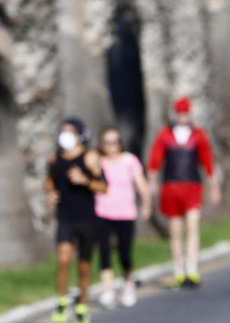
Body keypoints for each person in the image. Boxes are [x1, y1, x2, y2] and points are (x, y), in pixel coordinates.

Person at [146, 97, 221, 288]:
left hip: (192, 186)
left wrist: (214, 186)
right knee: (176, 230)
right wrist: (152, 181)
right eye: (179, 113)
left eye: (185, 113)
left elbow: (207, 161)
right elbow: (155, 159)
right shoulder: (165, 134)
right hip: (171, 187)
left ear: (189, 113)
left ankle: (192, 268)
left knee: (193, 226)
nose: (182, 117)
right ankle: (178, 270)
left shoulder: (198, 135)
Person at [45, 117, 107, 323]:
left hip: (87, 218)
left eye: (70, 131)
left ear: (80, 135)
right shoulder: (55, 158)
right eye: (62, 131)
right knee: (63, 259)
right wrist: (51, 194)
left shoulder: (89, 157)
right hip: (65, 217)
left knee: (83, 266)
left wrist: (85, 180)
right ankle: (62, 301)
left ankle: (81, 306)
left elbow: (104, 187)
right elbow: (50, 180)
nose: (65, 135)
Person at [93, 127, 149, 308]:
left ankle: (127, 283)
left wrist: (146, 204)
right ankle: (108, 290)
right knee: (104, 252)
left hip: (125, 213)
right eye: (107, 142)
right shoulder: (98, 162)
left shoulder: (129, 160)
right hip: (103, 212)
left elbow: (141, 184)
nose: (112, 146)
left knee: (124, 252)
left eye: (115, 141)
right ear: (102, 145)